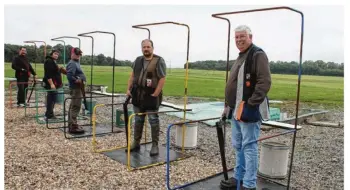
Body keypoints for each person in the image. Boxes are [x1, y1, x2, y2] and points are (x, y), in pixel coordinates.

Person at [222, 25, 271, 190]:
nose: (239, 40)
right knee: (238, 145)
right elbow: (234, 84)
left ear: (250, 36)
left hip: (248, 110)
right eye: (236, 37)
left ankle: (249, 184)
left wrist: (251, 104)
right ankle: (239, 177)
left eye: (242, 36)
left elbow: (264, 82)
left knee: (249, 146)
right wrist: (227, 105)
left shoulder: (258, 55)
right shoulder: (241, 56)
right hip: (236, 109)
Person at [126, 39, 167, 156]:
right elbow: (133, 75)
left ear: (152, 48)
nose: (146, 49)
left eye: (148, 47)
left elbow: (162, 78)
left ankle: (155, 145)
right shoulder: (138, 60)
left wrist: (156, 94)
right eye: (144, 47)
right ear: (141, 48)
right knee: (138, 119)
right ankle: (136, 143)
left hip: (151, 95)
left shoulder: (159, 60)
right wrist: (128, 89)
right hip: (137, 94)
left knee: (153, 120)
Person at [66, 47, 86, 134]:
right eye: (76, 54)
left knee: (73, 106)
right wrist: (77, 80)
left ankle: (72, 124)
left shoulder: (76, 62)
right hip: (76, 88)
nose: (78, 56)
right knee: (75, 107)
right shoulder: (72, 63)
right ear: (72, 54)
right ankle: (73, 126)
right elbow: (69, 75)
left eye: (79, 54)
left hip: (77, 87)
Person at [43, 49, 67, 119]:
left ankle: (49, 114)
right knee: (51, 99)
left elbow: (55, 71)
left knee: (52, 98)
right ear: (51, 54)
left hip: (54, 83)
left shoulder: (53, 61)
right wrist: (51, 84)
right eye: (55, 54)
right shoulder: (49, 61)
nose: (56, 55)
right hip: (52, 84)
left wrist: (60, 69)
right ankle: (49, 115)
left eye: (57, 54)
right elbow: (48, 74)